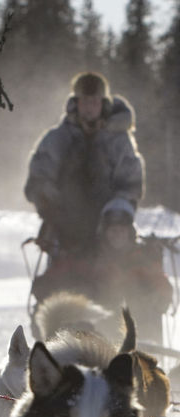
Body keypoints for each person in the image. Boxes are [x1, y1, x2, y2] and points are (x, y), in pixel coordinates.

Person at [24, 71, 145, 302]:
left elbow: (131, 184)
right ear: (76, 102)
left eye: (95, 101)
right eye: (85, 101)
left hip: (110, 232)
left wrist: (115, 217)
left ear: (103, 103)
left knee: (113, 291)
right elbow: (39, 177)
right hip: (66, 230)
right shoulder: (57, 138)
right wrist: (51, 208)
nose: (90, 106)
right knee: (59, 290)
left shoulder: (119, 141)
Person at [94, 198, 173, 344]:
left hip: (141, 330)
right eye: (113, 230)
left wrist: (160, 298)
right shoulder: (94, 258)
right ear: (105, 232)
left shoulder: (143, 258)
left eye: (121, 230)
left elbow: (161, 284)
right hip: (102, 330)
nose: (117, 234)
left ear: (130, 232)